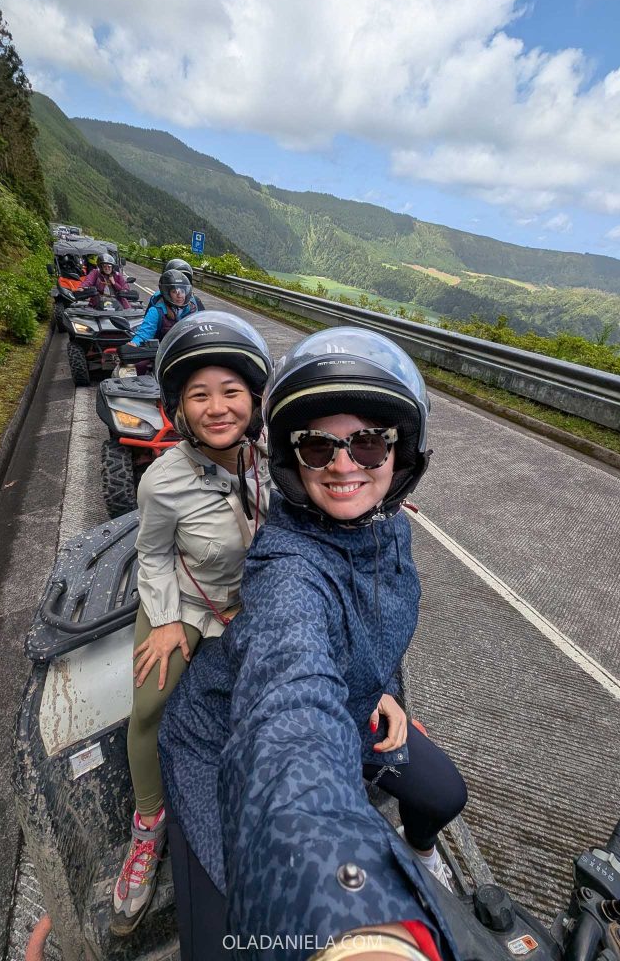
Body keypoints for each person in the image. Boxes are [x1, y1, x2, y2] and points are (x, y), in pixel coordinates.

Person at [158, 327, 468, 961]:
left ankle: (417, 858)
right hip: (226, 745)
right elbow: (288, 689)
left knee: (443, 795)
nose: (345, 464)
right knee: (229, 942)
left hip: (352, 709)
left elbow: (376, 625)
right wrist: (343, 904)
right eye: (318, 445)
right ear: (292, 463)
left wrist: (384, 687)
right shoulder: (288, 569)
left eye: (369, 442)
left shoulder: (389, 534)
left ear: (400, 453)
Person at [111, 310, 273, 936]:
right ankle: (147, 827)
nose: (217, 407)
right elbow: (151, 552)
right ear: (179, 407)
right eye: (199, 394)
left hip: (253, 600)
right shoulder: (163, 480)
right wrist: (168, 619)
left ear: (253, 399)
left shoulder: (274, 464)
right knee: (150, 706)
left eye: (230, 392)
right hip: (187, 601)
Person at [127, 269, 204, 349]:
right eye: (175, 292)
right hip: (163, 352)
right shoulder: (157, 311)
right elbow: (145, 332)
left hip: (185, 350)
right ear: (167, 293)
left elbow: (200, 330)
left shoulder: (192, 309)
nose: (180, 295)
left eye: (182, 291)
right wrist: (135, 343)